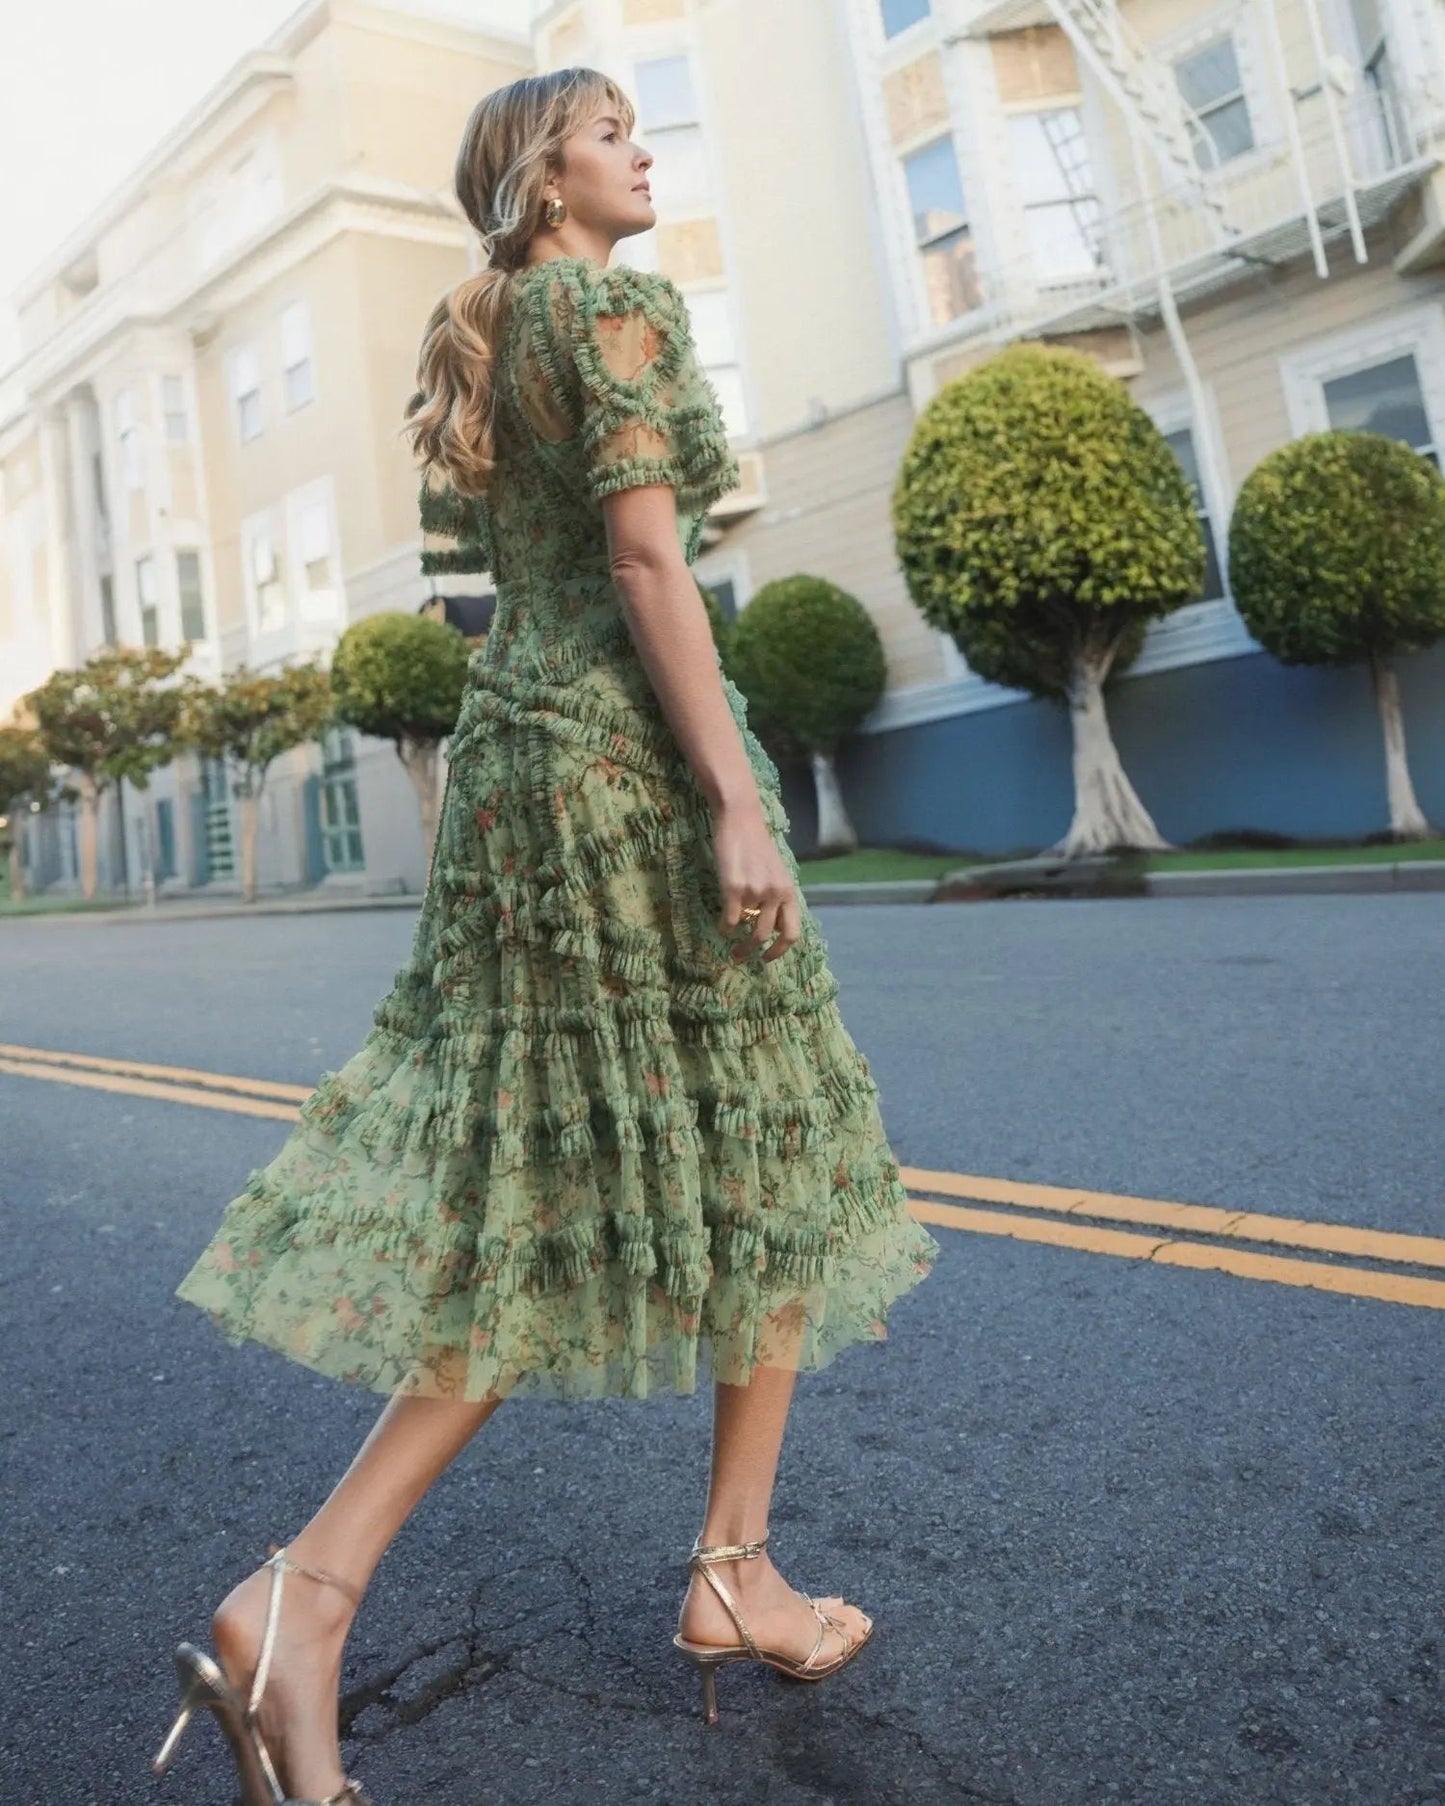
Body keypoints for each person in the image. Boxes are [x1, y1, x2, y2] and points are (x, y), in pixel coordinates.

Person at [153, 66, 940, 1805]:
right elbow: (653, 567)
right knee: (768, 1139)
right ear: (538, 176)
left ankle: (356, 1594)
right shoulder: (612, 301)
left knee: (595, 1172)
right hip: (624, 768)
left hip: (522, 766)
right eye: (609, 133)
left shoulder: (493, 320)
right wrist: (737, 798)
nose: (644, 149)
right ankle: (366, 1584)